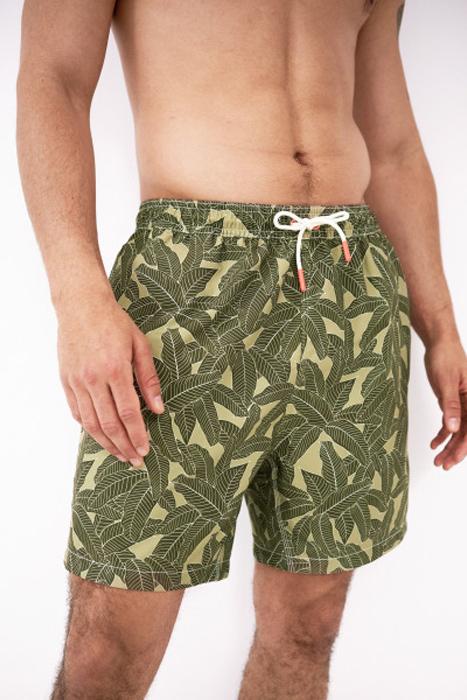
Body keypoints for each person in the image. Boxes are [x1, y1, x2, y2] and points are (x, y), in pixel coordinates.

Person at [16, 1, 467, 698]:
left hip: (350, 283)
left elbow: (391, 146)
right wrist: (77, 297)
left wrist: (440, 327)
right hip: (189, 282)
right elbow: (55, 80)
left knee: (309, 624)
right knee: (110, 635)